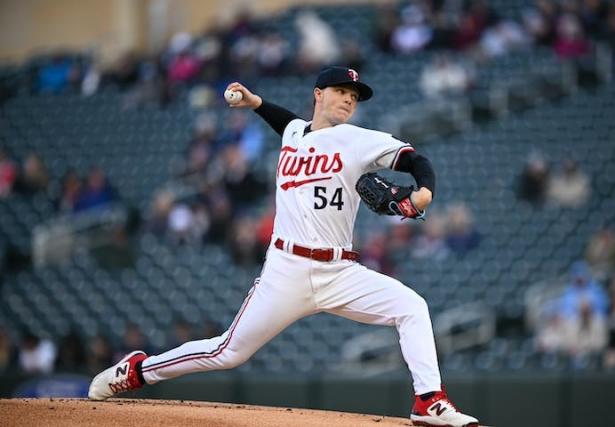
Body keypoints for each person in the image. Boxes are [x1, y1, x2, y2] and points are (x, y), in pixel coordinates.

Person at [88, 66, 480, 427]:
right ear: (318, 94)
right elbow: (286, 123)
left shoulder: (360, 140)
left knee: (412, 307)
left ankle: (428, 401)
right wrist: (256, 103)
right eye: (341, 91)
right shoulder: (295, 132)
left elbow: (415, 158)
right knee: (228, 352)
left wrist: (424, 192)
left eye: (354, 96)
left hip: (340, 271)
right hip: (286, 270)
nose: (349, 99)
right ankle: (138, 370)